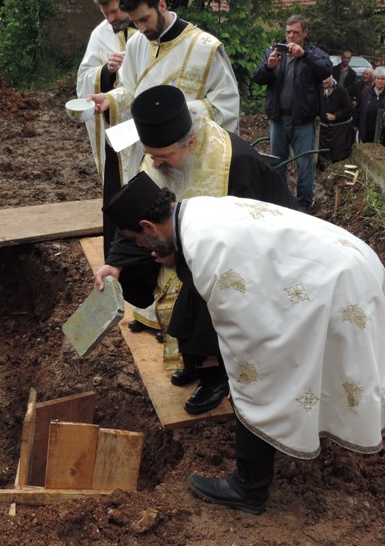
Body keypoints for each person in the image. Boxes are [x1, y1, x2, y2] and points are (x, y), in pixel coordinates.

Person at [100, 172, 385, 515]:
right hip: (345, 260)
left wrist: (242, 380)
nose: (141, 249)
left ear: (149, 226)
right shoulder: (193, 213)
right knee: (293, 368)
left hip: (337, 284)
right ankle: (305, 427)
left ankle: (249, 488)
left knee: (254, 382)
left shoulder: (205, 251)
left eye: (136, 240)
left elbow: (251, 340)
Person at [96, 85, 297, 415]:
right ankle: (193, 359)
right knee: (159, 270)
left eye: (164, 157)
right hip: (184, 252)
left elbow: (254, 236)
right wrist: (115, 264)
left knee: (209, 282)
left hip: (240, 259)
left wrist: (184, 256)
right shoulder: (160, 158)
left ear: (189, 142)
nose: (156, 164)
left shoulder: (238, 161)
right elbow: (140, 213)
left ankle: (216, 374)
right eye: (152, 155)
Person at [88, 0, 239, 186]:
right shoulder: (136, 45)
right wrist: (110, 100)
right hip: (147, 155)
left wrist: (173, 117)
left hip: (188, 158)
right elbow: (131, 91)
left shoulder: (206, 48)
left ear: (161, 5)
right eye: (135, 22)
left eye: (144, 19)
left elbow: (226, 106)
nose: (140, 29)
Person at [76, 0, 134, 255]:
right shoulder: (101, 34)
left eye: (114, 11)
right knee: (117, 187)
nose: (111, 19)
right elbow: (84, 77)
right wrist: (106, 71)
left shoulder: (148, 29)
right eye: (105, 14)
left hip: (143, 128)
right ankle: (116, 251)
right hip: (117, 129)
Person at [251, 14, 332, 211]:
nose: (291, 37)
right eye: (288, 32)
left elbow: (325, 70)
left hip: (303, 120)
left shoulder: (313, 53)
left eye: (296, 32)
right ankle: (280, 201)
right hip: (278, 118)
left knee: (304, 163)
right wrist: (268, 67)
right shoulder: (275, 51)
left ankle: (304, 204)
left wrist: (304, 55)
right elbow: (257, 77)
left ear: (305, 33)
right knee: (277, 162)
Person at [318, 75, 353, 165]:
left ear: (331, 78)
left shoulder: (341, 90)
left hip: (340, 130)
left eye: (326, 78)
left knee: (338, 156)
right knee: (324, 154)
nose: (324, 81)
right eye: (322, 79)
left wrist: (336, 116)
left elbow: (348, 108)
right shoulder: (319, 89)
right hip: (325, 129)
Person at [356, 66, 385, 148]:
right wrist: (356, 124)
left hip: (383, 131)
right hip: (367, 129)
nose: (380, 81)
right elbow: (358, 109)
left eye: (383, 79)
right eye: (378, 79)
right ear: (374, 79)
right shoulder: (365, 92)